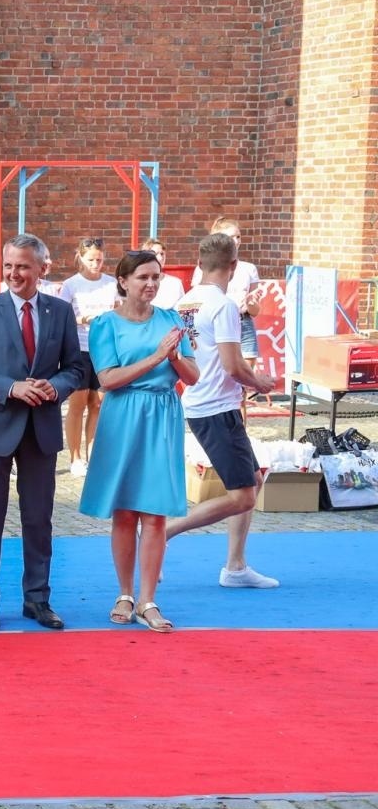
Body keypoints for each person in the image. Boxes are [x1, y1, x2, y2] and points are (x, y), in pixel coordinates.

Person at [0, 232, 85, 631]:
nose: (14, 274)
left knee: (39, 518)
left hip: (41, 429)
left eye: (23, 267)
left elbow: (76, 368)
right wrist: (10, 388)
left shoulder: (60, 313)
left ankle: (38, 599)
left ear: (43, 269)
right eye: (8, 266)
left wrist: (56, 386)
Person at [78, 251, 197, 632]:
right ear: (123, 281)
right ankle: (125, 593)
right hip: (122, 415)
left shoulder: (172, 320)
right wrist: (156, 357)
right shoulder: (105, 325)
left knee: (156, 512)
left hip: (162, 416)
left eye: (156, 278)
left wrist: (175, 357)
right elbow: (108, 379)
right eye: (143, 277)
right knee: (125, 510)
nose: (150, 284)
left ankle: (148, 599)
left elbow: (192, 376)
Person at [165, 232, 281, 588]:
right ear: (233, 266)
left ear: (199, 264)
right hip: (215, 406)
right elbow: (233, 365)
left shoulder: (185, 301)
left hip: (203, 402)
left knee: (253, 480)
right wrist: (258, 381)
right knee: (243, 494)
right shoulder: (223, 305)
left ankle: (235, 566)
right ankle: (166, 531)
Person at [59, 237, 117, 476]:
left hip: (104, 349)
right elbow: (61, 317)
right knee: (78, 403)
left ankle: (94, 453)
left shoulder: (111, 283)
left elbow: (120, 309)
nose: (96, 264)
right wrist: (82, 319)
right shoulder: (71, 284)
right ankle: (75, 457)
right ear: (81, 258)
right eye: (91, 259)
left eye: (100, 259)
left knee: (98, 403)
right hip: (79, 348)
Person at [190, 218, 266, 383]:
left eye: (238, 236)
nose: (236, 241)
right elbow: (199, 296)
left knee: (244, 375)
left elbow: (255, 311)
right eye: (231, 237)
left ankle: (239, 404)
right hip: (215, 320)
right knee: (219, 368)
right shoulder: (204, 267)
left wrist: (251, 303)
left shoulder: (249, 268)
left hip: (242, 320)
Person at [142, 238, 186, 310]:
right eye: (155, 254)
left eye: (162, 254)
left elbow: (182, 310)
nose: (160, 258)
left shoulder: (175, 283)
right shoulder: (139, 283)